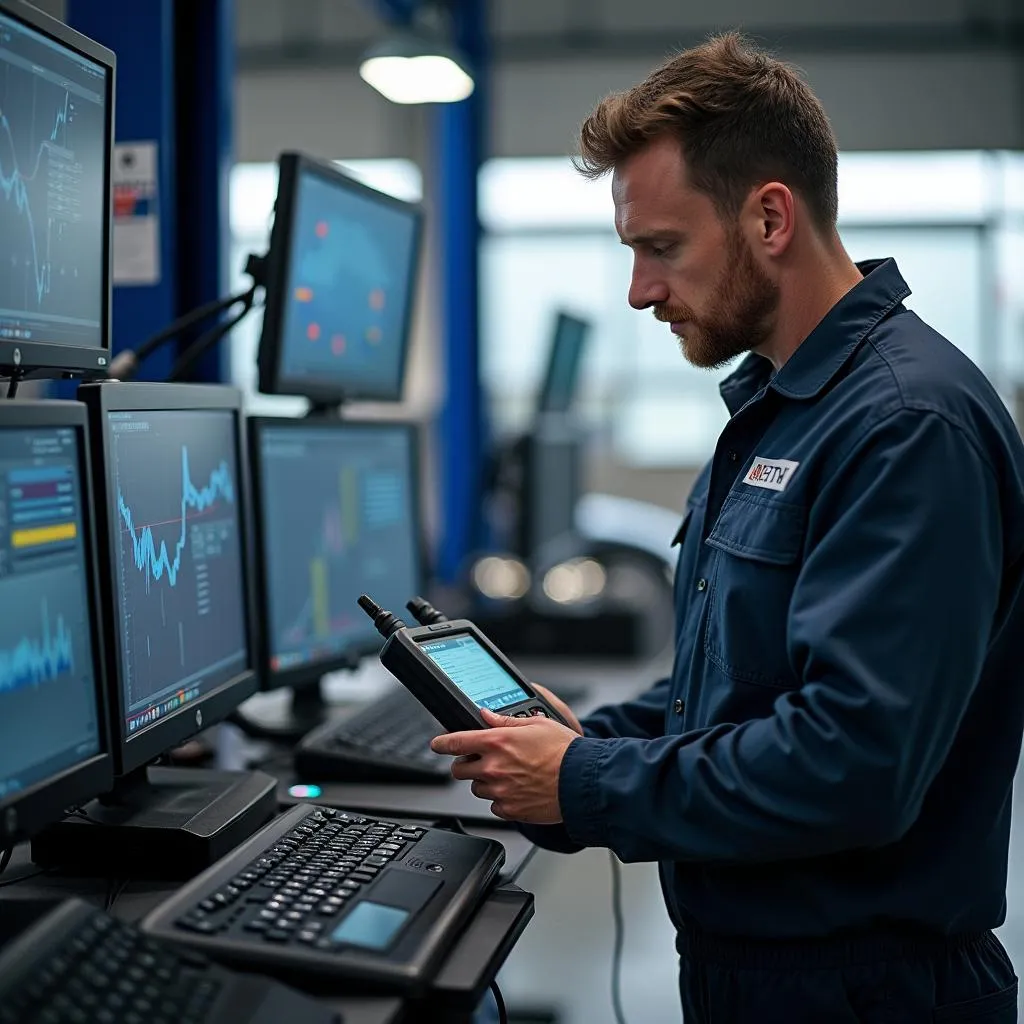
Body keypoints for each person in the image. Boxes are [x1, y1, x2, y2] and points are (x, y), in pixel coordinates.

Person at [432, 31, 1024, 1023]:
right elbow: (740, 685)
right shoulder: (775, 411)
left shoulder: (903, 426)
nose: (640, 290)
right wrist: (592, 740)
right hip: (757, 971)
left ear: (769, 216)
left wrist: (588, 783)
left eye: (662, 247)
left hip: (864, 991)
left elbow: (852, 764)